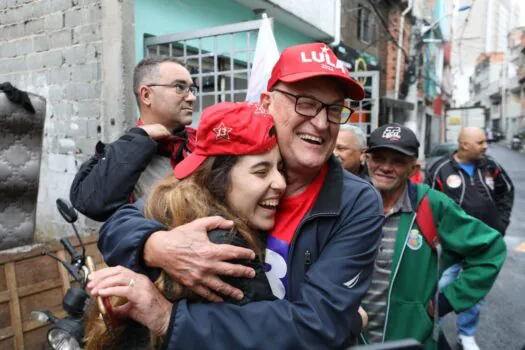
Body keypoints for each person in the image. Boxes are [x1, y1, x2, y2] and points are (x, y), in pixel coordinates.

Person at [89, 43, 384, 349]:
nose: (321, 123)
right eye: (305, 103)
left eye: (334, 109)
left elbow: (319, 325)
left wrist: (171, 319)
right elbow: (117, 226)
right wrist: (155, 245)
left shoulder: (356, 203)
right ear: (268, 102)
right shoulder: (227, 164)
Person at [84, 102, 285, 349]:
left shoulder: (176, 203)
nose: (281, 183)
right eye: (261, 171)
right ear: (218, 179)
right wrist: (153, 245)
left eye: (281, 168)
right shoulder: (224, 246)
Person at [358, 123, 506, 349]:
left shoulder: (432, 205)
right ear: (366, 159)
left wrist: (446, 300)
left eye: (397, 160)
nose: (386, 167)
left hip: (410, 340)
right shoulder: (350, 203)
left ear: (413, 169)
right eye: (379, 157)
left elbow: (491, 249)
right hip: (352, 338)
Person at [69, 56, 197, 221]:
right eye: (179, 87)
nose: (191, 98)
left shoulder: (200, 142)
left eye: (191, 89)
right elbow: (92, 203)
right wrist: (140, 139)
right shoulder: (122, 153)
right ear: (146, 95)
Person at [425, 126, 514, 350]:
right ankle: (431, 329)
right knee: (438, 288)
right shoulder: (441, 168)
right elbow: (426, 202)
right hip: (449, 246)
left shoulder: (490, 166)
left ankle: (467, 334)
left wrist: (501, 224)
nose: (486, 146)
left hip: (483, 244)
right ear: (465, 144)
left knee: (475, 288)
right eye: (481, 142)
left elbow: (506, 191)